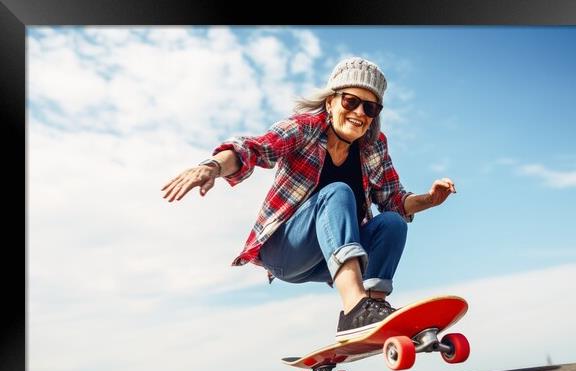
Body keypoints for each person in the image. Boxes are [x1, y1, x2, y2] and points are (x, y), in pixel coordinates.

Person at [162, 57, 456, 342]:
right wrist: (211, 166)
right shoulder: (303, 128)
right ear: (331, 102)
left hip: (330, 258)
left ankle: (372, 310)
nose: (359, 113)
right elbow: (252, 149)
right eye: (350, 101)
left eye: (370, 107)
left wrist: (429, 199)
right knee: (338, 192)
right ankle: (355, 307)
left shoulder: (374, 146)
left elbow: (393, 199)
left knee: (392, 223)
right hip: (286, 252)